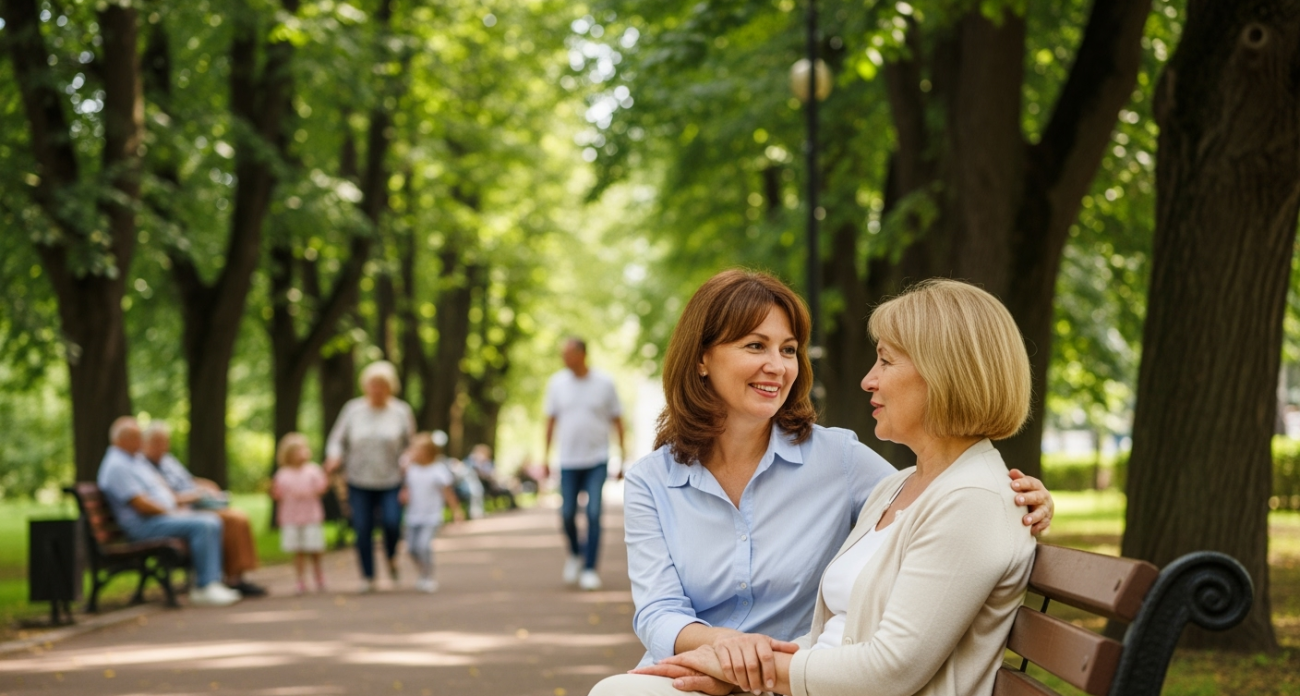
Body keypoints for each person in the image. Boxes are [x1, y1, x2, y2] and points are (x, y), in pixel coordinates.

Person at [584, 270, 1051, 691]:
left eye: (788, 349)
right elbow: (657, 610)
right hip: (745, 673)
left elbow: (954, 519)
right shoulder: (652, 478)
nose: (780, 365)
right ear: (701, 359)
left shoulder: (845, 461)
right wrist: (726, 655)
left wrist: (1025, 501)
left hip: (785, 680)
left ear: (946, 375)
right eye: (755, 345)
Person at [97, 416, 241, 607]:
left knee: (210, 519)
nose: (141, 442)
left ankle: (212, 582)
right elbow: (141, 504)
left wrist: (176, 504)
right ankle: (205, 586)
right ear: (121, 440)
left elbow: (161, 488)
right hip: (143, 524)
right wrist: (171, 511)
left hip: (157, 518)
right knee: (205, 523)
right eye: (137, 437)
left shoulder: (133, 460)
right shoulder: (117, 465)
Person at [141, 422, 266, 597]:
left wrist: (207, 487)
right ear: (146, 443)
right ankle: (224, 581)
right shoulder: (143, 467)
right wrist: (194, 496)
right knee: (231, 520)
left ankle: (236, 577)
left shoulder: (168, 460)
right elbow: (165, 498)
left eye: (165, 442)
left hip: (197, 505)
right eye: (159, 442)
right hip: (186, 509)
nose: (164, 446)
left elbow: (188, 480)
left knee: (239, 516)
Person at [324, 360, 417, 592]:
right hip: (358, 479)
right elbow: (337, 440)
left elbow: (411, 444)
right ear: (365, 386)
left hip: (391, 479)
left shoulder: (401, 411)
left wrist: (408, 459)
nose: (377, 389)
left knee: (392, 522)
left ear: (390, 387)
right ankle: (368, 575)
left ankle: (392, 556)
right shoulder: (352, 410)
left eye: (382, 385)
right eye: (373, 385)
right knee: (362, 527)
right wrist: (334, 456)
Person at [544, 336, 627, 591]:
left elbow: (617, 421)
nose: (564, 359)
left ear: (582, 354)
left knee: (593, 513)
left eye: (568, 354)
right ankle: (575, 554)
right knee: (567, 513)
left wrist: (622, 456)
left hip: (597, 459)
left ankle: (590, 569)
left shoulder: (604, 383)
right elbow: (550, 421)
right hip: (568, 460)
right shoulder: (557, 383)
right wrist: (545, 457)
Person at [400, 432, 465, 593]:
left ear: (429, 452)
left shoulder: (438, 470)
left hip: (432, 516)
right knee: (411, 549)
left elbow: (448, 493)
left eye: (419, 450)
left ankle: (428, 576)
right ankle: (422, 572)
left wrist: (456, 511)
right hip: (412, 516)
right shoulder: (410, 470)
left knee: (423, 546)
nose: (415, 453)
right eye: (414, 449)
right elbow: (405, 488)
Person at [272, 432, 330, 595]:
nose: (302, 454)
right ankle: (300, 579)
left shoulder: (313, 470)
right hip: (291, 517)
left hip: (311, 516)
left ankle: (319, 575)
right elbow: (278, 495)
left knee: (315, 548)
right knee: (297, 550)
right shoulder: (282, 474)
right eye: (297, 451)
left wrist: (326, 478)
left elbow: (321, 489)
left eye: (303, 449)